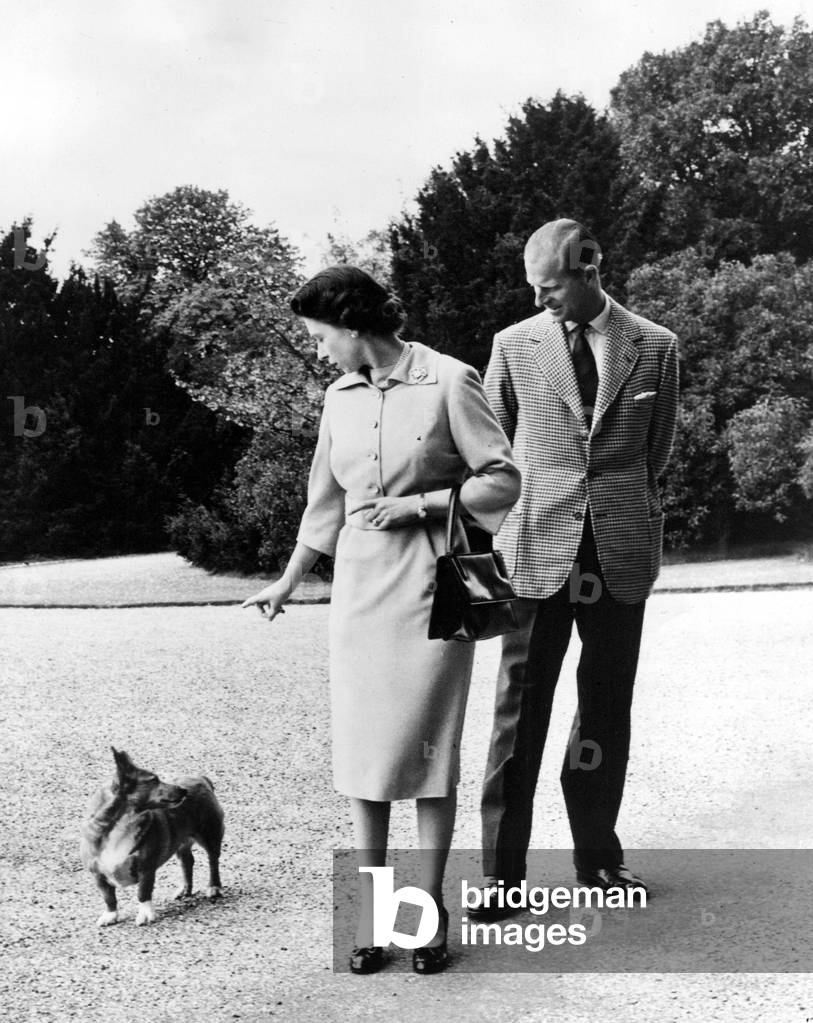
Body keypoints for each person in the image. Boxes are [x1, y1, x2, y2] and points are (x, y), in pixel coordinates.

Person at [241, 266, 520, 973]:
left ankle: (426, 917)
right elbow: (324, 503)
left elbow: (502, 477)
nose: (318, 350)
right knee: (364, 762)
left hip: (431, 590)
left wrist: (421, 505)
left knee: (428, 759)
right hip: (359, 596)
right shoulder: (337, 398)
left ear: (352, 326)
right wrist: (287, 580)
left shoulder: (449, 380)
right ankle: (371, 916)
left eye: (320, 336)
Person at [469, 219, 679, 915]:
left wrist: (616, 505)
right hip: (535, 547)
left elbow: (655, 453)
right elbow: (492, 454)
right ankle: (501, 876)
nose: (539, 299)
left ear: (589, 270)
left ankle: (598, 860)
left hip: (619, 550)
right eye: (533, 288)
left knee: (605, 709)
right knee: (518, 711)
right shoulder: (513, 345)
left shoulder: (655, 345)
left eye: (550, 286)